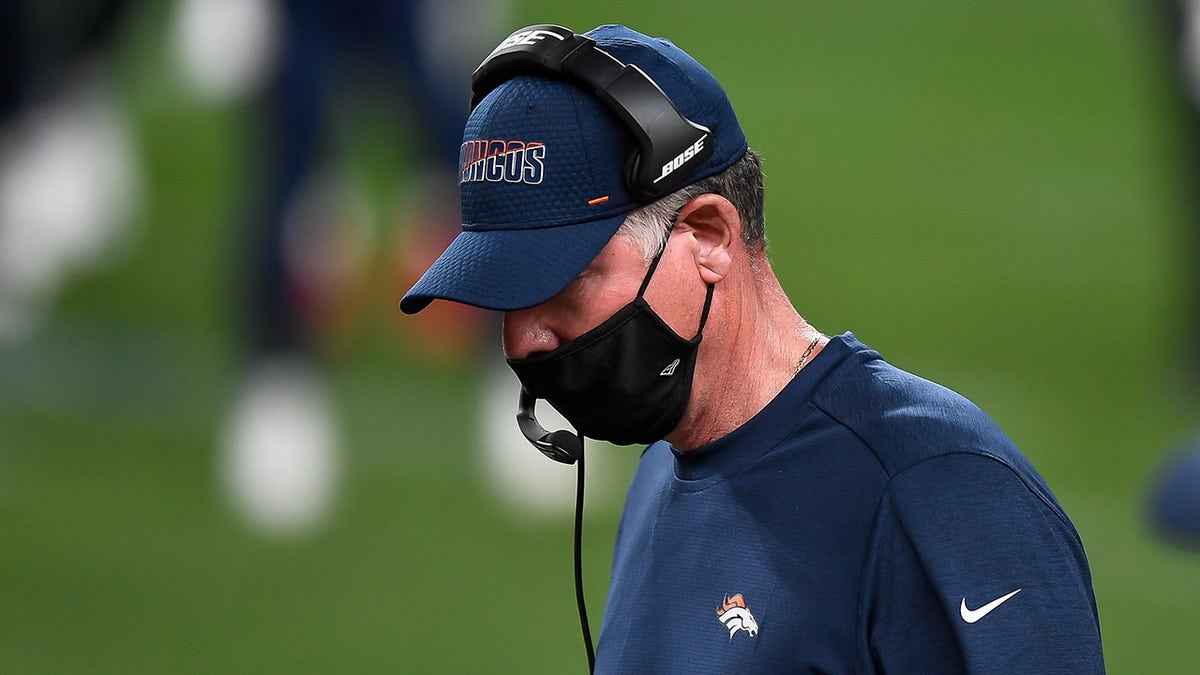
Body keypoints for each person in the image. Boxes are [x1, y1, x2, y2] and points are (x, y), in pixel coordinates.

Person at [401, 23, 1105, 672]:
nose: (524, 337)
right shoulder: (658, 479)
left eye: (563, 282)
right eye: (506, 297)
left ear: (708, 235)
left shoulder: (939, 493)